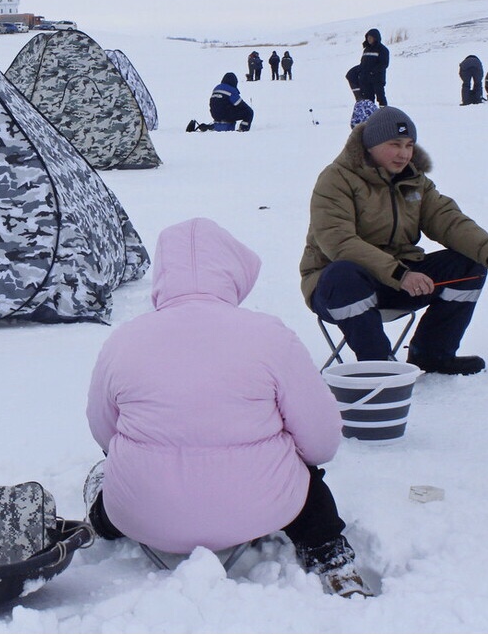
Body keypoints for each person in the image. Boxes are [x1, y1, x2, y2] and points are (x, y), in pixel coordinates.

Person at [84, 218, 373, 598]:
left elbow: (103, 430)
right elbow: (321, 440)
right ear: (231, 271)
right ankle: (330, 557)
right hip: (257, 508)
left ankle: (101, 523)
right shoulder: (270, 336)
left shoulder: (123, 340)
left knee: (115, 479)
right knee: (309, 483)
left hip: (145, 517)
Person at [300, 106, 488, 375]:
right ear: (370, 145)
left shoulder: (415, 181)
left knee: (468, 266)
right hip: (336, 288)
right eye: (394, 144)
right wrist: (400, 274)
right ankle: (377, 363)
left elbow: (448, 220)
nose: (404, 153)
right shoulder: (336, 180)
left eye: (409, 145)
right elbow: (339, 242)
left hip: (399, 279)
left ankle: (433, 354)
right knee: (344, 273)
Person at [187, 72, 254, 132]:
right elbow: (240, 104)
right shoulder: (231, 90)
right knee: (249, 112)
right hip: (226, 114)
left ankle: (210, 127)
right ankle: (243, 129)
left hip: (215, 115)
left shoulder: (217, 88)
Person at [358, 28, 389, 105]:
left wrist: (372, 72)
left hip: (377, 79)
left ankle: (384, 114)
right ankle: (371, 115)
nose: (369, 39)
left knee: (380, 97)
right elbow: (363, 63)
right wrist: (360, 73)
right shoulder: (366, 50)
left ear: (375, 37)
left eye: (371, 37)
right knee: (368, 100)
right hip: (366, 80)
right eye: (368, 37)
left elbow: (384, 64)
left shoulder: (382, 49)